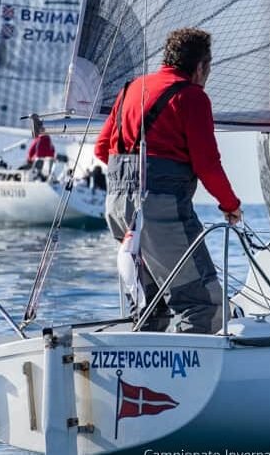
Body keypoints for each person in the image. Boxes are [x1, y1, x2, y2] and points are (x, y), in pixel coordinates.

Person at [95, 27, 243, 333]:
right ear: (201, 66)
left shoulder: (130, 89)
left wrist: (133, 178)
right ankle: (190, 379)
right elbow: (207, 164)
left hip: (117, 207)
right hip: (160, 210)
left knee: (151, 307)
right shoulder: (192, 97)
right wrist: (230, 205)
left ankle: (140, 377)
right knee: (204, 305)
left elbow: (101, 149)